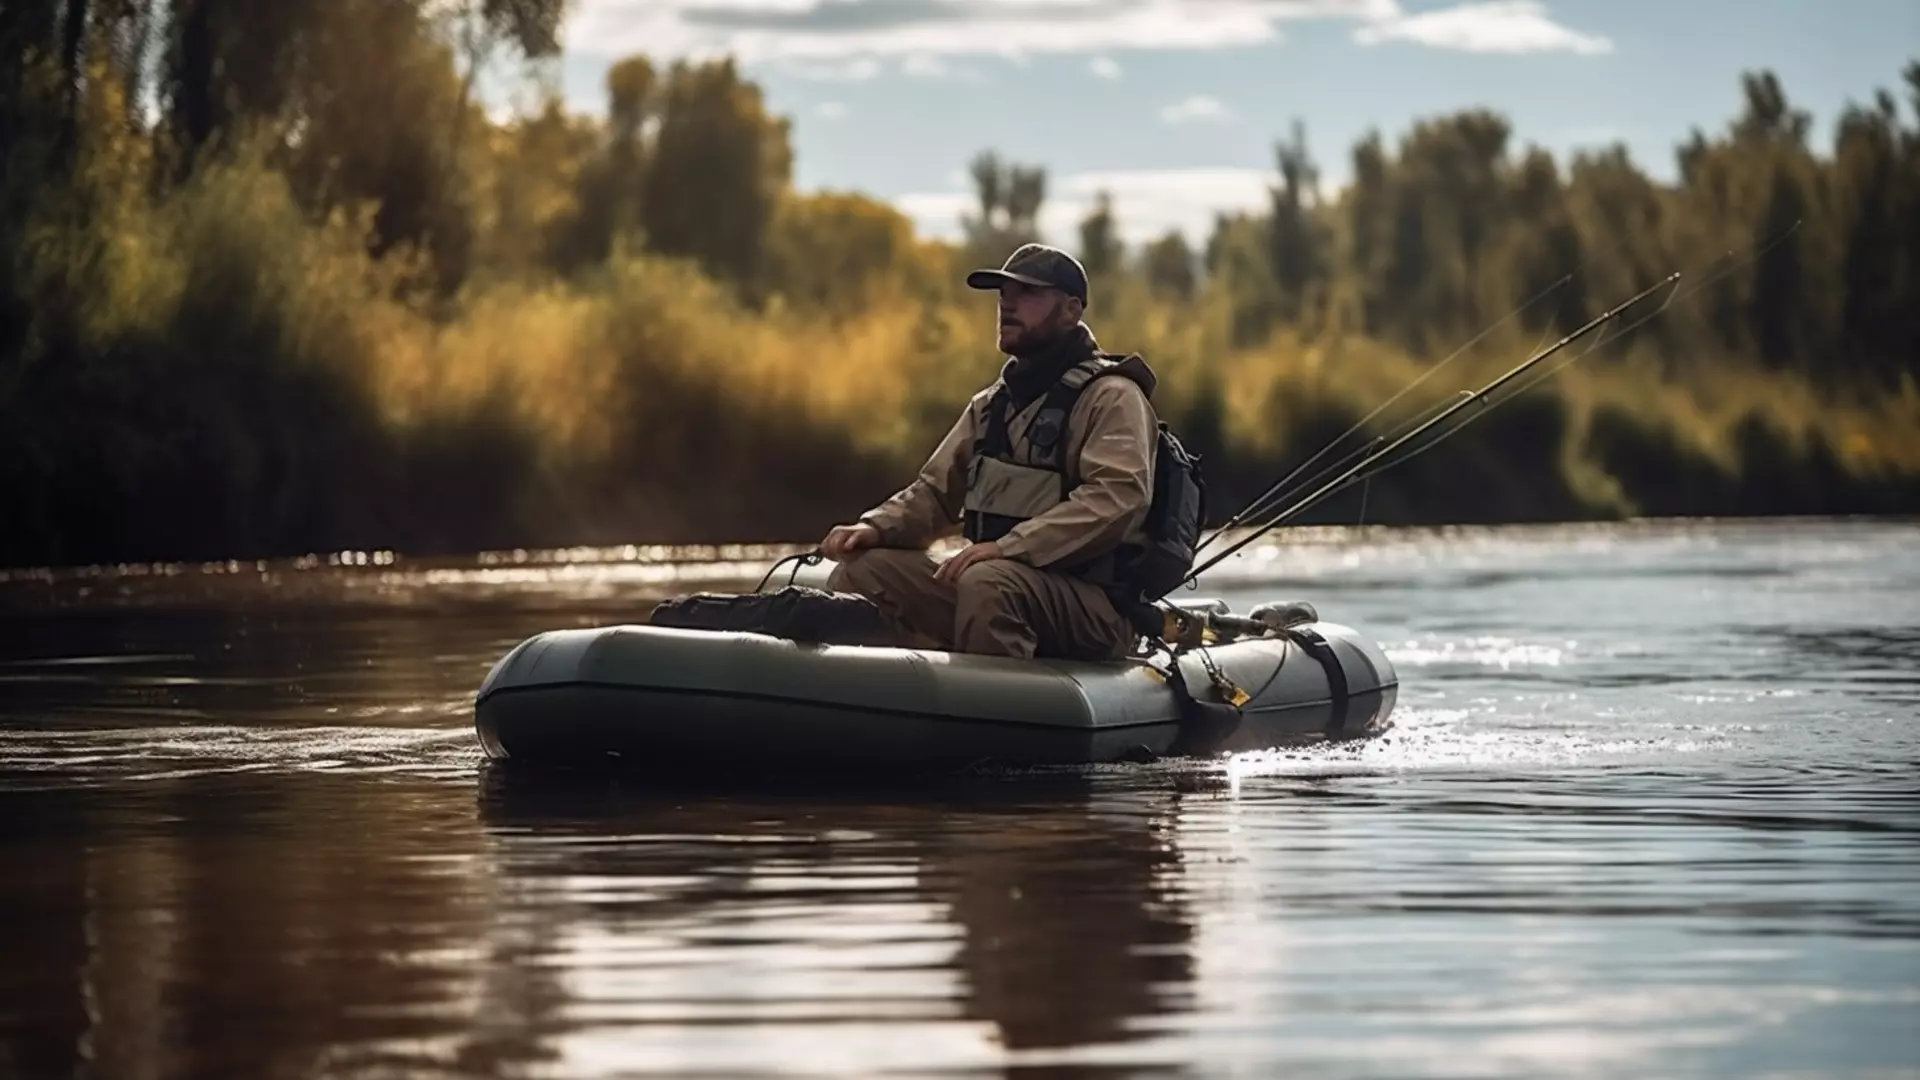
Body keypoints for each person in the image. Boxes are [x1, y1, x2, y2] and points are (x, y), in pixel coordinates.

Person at [817, 243, 1164, 661]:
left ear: (1072, 311)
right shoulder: (991, 405)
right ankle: (876, 710)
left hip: (1096, 610)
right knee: (865, 571)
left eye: (1028, 295)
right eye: (1004, 295)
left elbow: (1116, 499)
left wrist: (1009, 547)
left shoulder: (1112, 397)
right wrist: (875, 528)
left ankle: (998, 717)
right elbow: (935, 492)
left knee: (989, 581)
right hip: (996, 584)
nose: (1008, 305)